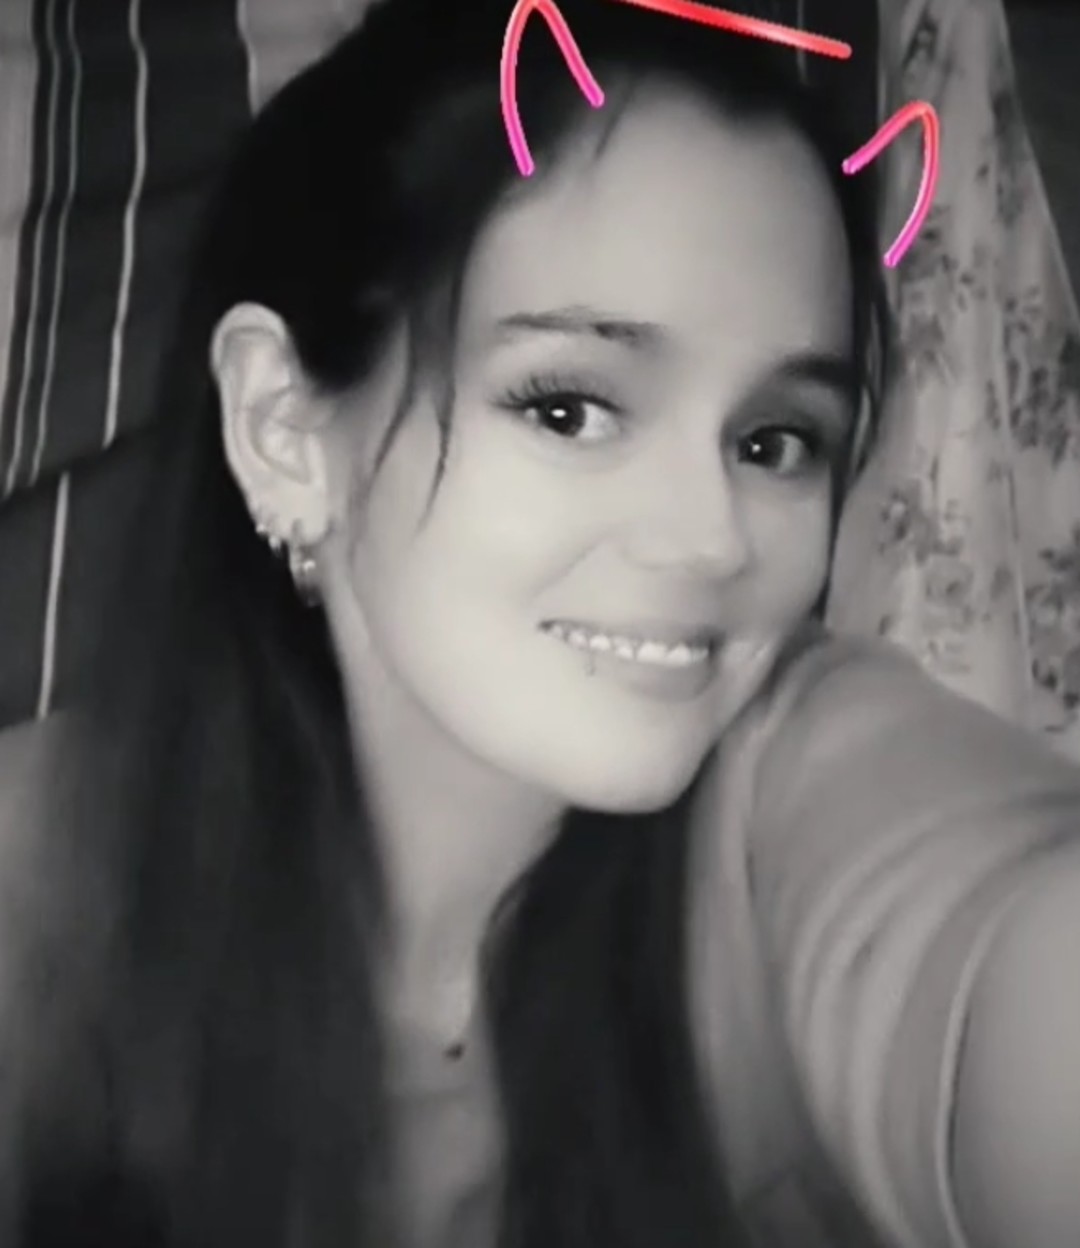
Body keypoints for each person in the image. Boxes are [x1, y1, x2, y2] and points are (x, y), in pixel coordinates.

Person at [0, 0, 1077, 1245]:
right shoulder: (46, 876)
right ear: (285, 430)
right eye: (570, 409)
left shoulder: (800, 791)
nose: (712, 539)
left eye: (775, 441)